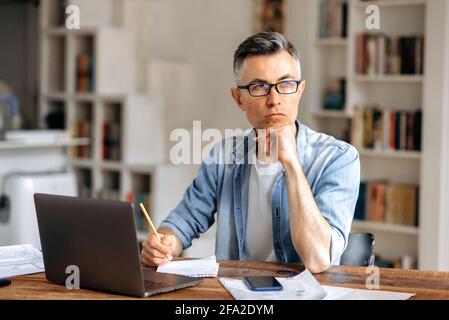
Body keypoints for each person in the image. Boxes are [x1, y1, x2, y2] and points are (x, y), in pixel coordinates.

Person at [140, 32, 360, 273]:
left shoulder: (339, 158)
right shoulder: (223, 155)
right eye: (259, 86)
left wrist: (291, 163)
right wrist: (165, 242)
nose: (274, 99)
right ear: (238, 99)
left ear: (299, 90)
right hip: (235, 294)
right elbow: (184, 220)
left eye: (285, 84)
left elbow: (318, 259)